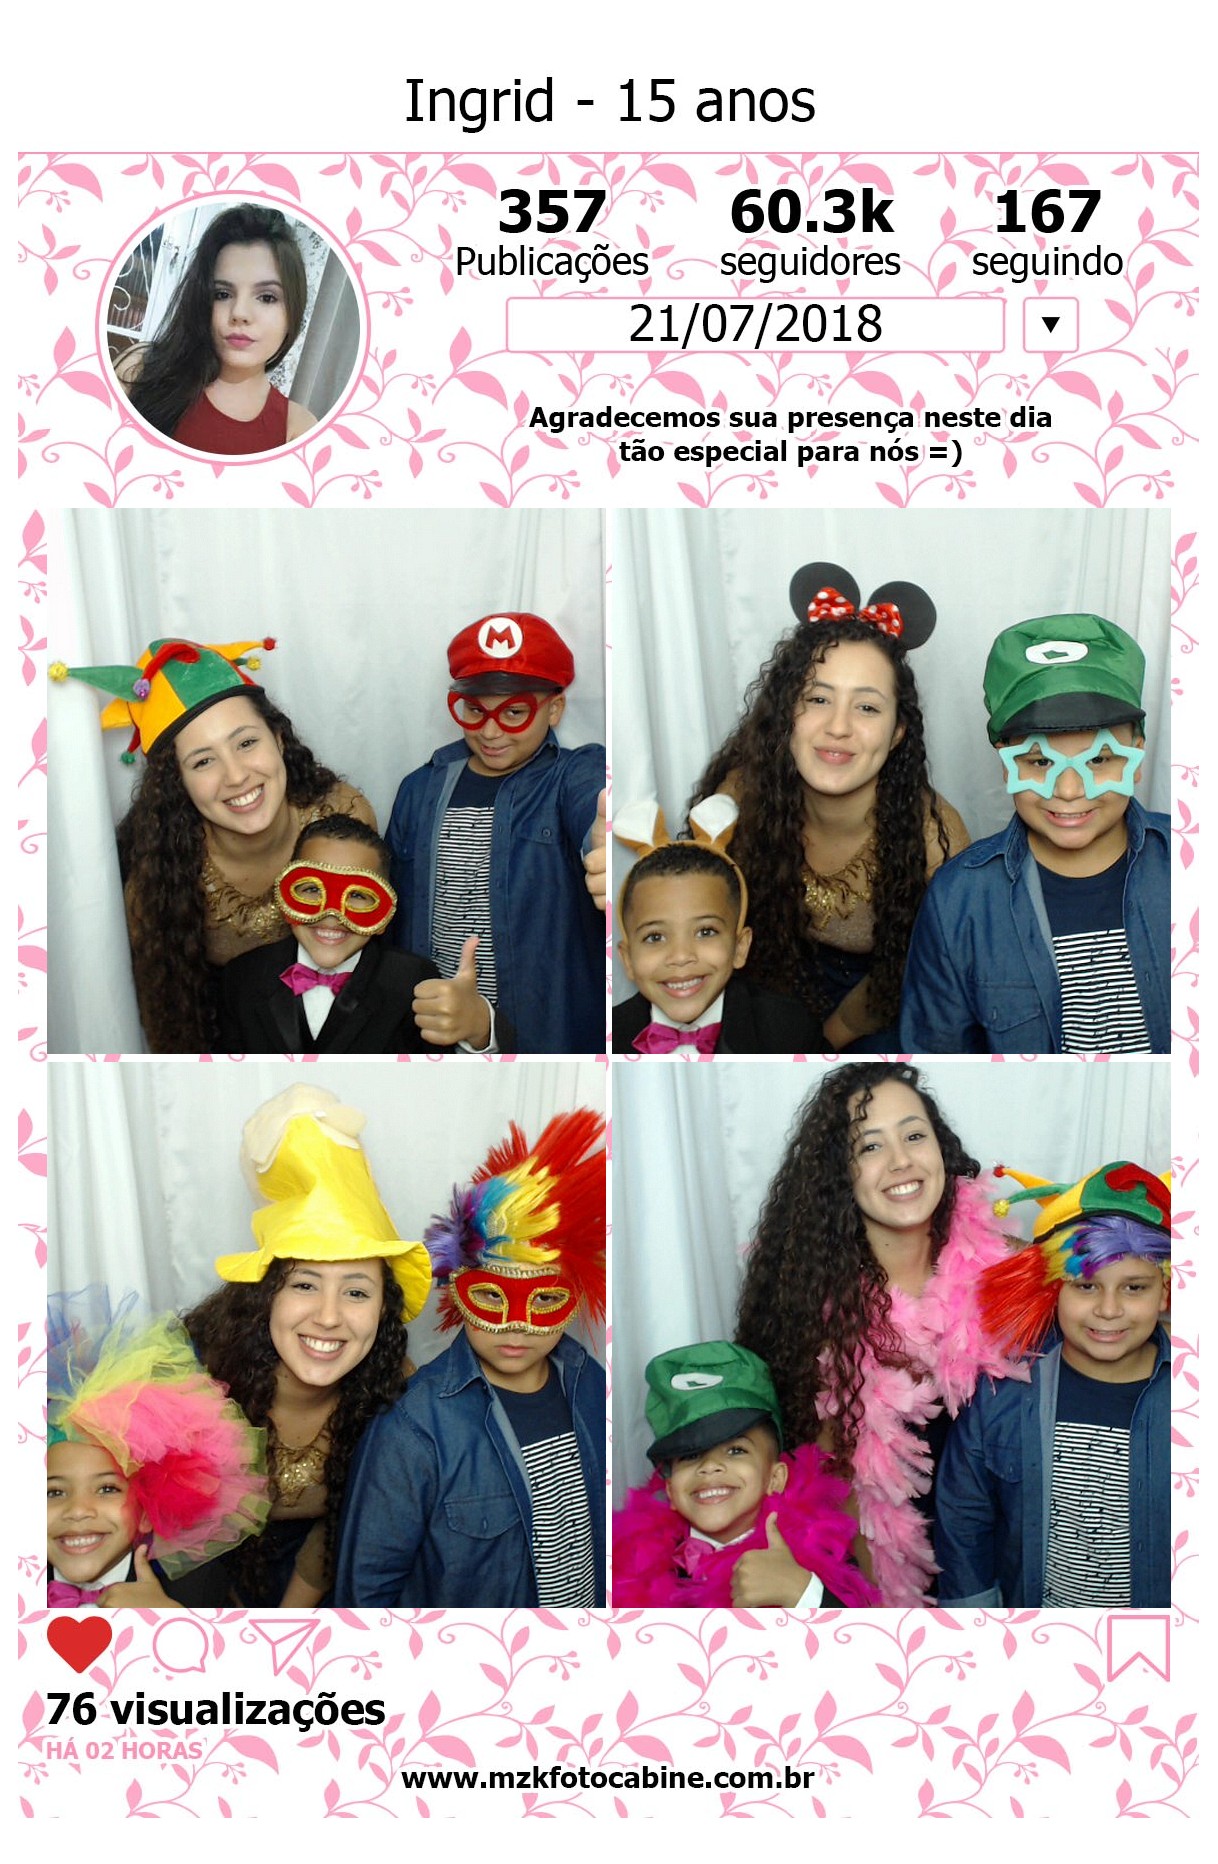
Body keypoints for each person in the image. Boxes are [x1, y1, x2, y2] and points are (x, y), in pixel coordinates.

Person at [734, 1062, 1023, 1605]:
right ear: (838, 1175)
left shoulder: (1009, 1272)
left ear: (940, 1148)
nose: (900, 1161)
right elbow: (848, 1517)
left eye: (914, 1136)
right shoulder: (814, 1325)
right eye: (870, 1146)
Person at [333, 1109, 607, 1608]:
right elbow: (365, 1594)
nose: (516, 1325)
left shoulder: (593, 1387)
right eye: (491, 1296)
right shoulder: (412, 1427)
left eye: (546, 1298)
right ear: (457, 1289)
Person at [691, 562, 967, 1051]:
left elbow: (924, 974)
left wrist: (827, 1037)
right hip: (769, 980)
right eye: (818, 699)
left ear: (897, 732)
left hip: (885, 999)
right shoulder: (737, 801)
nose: (838, 727)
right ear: (786, 715)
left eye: (867, 707)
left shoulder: (934, 836)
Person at [174, 1086, 432, 1607]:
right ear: (266, 1296)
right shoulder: (192, 1382)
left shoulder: (395, 1392)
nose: (329, 1316)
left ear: (382, 1310)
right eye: (305, 1284)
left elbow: (341, 1531)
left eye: (356, 1292)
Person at [51, 636, 374, 1051]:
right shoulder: (158, 880)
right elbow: (170, 1027)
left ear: (278, 739)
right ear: (178, 782)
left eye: (246, 743)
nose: (236, 776)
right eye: (203, 761)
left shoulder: (344, 814)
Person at [900, 612, 1170, 1053]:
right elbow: (937, 1053)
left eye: (1099, 760)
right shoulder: (959, 901)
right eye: (1041, 762)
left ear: (1136, 757)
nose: (1069, 790)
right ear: (1007, 762)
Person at [935, 1160, 1171, 1608]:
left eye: (1134, 1288)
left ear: (1165, 1291)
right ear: (1053, 1289)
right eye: (1086, 1286)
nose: (1108, 1310)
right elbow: (964, 1520)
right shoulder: (1000, 1393)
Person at [386, 611, 607, 1054]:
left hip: (538, 1040)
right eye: (475, 710)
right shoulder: (419, 788)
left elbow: (595, 808)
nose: (490, 731)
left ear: (555, 708)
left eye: (515, 712)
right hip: (431, 1031)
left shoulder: (572, 775)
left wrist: (608, 847)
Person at [613, 1341, 879, 1608]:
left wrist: (801, 1592)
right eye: (690, 1455)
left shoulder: (824, 1553)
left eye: (736, 1450)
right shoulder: (634, 1569)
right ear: (670, 1489)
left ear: (775, 1478)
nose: (710, 1466)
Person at [46, 1290, 267, 1608]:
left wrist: (170, 1620)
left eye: (107, 1488)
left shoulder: (198, 1592)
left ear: (149, 1510)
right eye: (53, 1492)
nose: (78, 1510)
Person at [216, 815, 499, 1053]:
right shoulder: (241, 978)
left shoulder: (413, 982)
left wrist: (479, 1028)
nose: (331, 915)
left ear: (385, 913)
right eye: (312, 889)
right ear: (285, 895)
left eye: (359, 896)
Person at [612, 797, 821, 1054]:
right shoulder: (606, 1034)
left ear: (740, 947)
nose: (681, 956)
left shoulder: (790, 1030)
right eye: (655, 937)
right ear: (627, 959)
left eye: (705, 932)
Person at [116, 203, 317, 452]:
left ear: (292, 312)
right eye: (222, 294)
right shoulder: (139, 369)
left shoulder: (299, 429)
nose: (239, 313)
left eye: (267, 297)